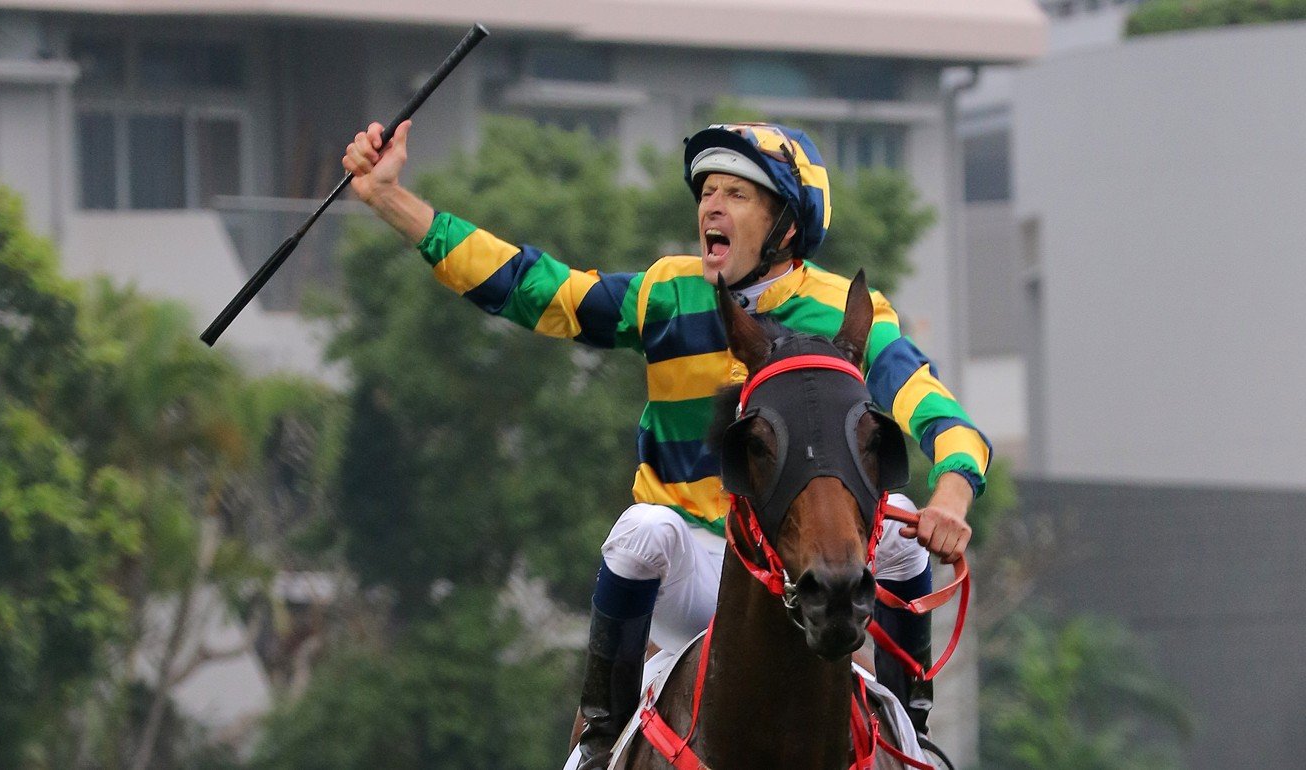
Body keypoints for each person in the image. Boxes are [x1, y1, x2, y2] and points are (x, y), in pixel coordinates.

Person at [342, 119, 991, 769]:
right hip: (695, 562)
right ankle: (598, 737)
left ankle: (912, 732)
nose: (712, 204)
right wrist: (390, 198)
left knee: (903, 528)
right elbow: (532, 287)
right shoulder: (666, 292)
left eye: (737, 193)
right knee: (642, 529)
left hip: (803, 551)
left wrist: (953, 498)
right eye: (707, 189)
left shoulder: (852, 313)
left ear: (787, 224)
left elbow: (942, 415)